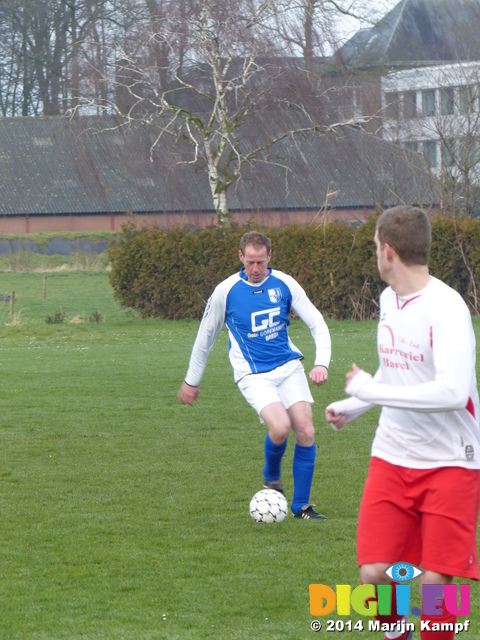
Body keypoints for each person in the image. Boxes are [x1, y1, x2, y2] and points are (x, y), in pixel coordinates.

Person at [326, 206, 480, 640]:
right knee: (374, 574)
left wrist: (371, 392)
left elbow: (451, 393)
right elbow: (398, 371)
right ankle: (398, 635)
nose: (375, 254)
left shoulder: (447, 309)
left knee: (435, 583)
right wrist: (355, 405)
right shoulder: (387, 300)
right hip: (392, 456)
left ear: (388, 251)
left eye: (375, 246)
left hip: (453, 462)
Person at [179, 230, 331, 519]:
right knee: (280, 428)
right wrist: (192, 380)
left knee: (306, 430)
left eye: (261, 262)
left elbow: (317, 323)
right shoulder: (226, 291)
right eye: (250, 262)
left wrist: (321, 362)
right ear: (240, 258)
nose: (256, 269)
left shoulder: (285, 284)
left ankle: (301, 507)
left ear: (269, 257)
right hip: (253, 374)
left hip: (288, 367)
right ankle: (271, 476)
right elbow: (205, 337)